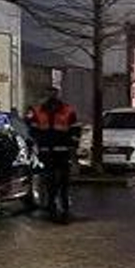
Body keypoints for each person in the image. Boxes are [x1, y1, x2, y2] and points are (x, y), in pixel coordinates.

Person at [29, 86, 81, 222]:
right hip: (47, 152)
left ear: (57, 94)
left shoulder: (67, 110)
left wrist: (73, 148)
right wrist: (38, 144)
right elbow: (32, 130)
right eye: (49, 92)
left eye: (53, 92)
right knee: (50, 182)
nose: (51, 95)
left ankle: (63, 209)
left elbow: (75, 131)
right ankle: (52, 208)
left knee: (63, 182)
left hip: (62, 151)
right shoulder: (38, 111)